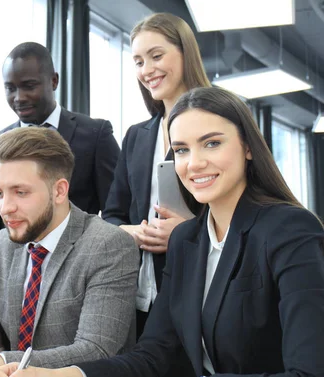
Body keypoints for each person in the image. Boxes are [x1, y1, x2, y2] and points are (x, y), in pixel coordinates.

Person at [0, 86, 324, 377]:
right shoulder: (187, 241)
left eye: (211, 143)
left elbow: (308, 371)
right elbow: (153, 356)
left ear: (248, 147)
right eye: (181, 150)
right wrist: (66, 375)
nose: (194, 163)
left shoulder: (290, 231)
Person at [0, 127, 138, 377]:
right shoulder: (2, 244)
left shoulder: (108, 245)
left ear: (59, 191)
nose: (5, 208)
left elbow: (94, 350)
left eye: (20, 192)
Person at [0, 41, 120, 294]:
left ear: (53, 81)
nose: (19, 97)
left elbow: (116, 211)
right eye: (10, 88)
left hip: (82, 278)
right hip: (17, 285)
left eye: (29, 86)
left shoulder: (95, 135)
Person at [101, 13, 211, 339]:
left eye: (156, 56)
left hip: (199, 284)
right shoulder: (137, 136)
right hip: (140, 292)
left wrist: (187, 230)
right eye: (138, 61)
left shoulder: (218, 124)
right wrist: (130, 232)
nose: (147, 69)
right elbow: (112, 214)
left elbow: (243, 208)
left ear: (185, 53)